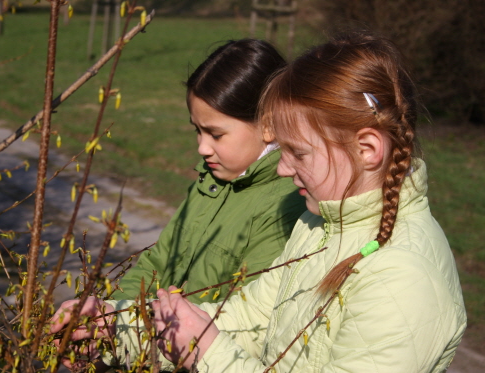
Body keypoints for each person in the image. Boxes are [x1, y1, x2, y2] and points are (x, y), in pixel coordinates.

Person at [51, 32, 467, 372]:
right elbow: (246, 320)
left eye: (298, 153)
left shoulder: (402, 280)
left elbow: (219, 345)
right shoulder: (318, 226)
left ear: (368, 149)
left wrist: (207, 352)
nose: (283, 171)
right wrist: (113, 327)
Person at [113, 39, 306, 304]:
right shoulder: (211, 179)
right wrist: (109, 314)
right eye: (198, 130)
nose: (202, 148)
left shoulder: (287, 204)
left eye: (215, 134)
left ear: (269, 125)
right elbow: (159, 260)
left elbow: (246, 315)